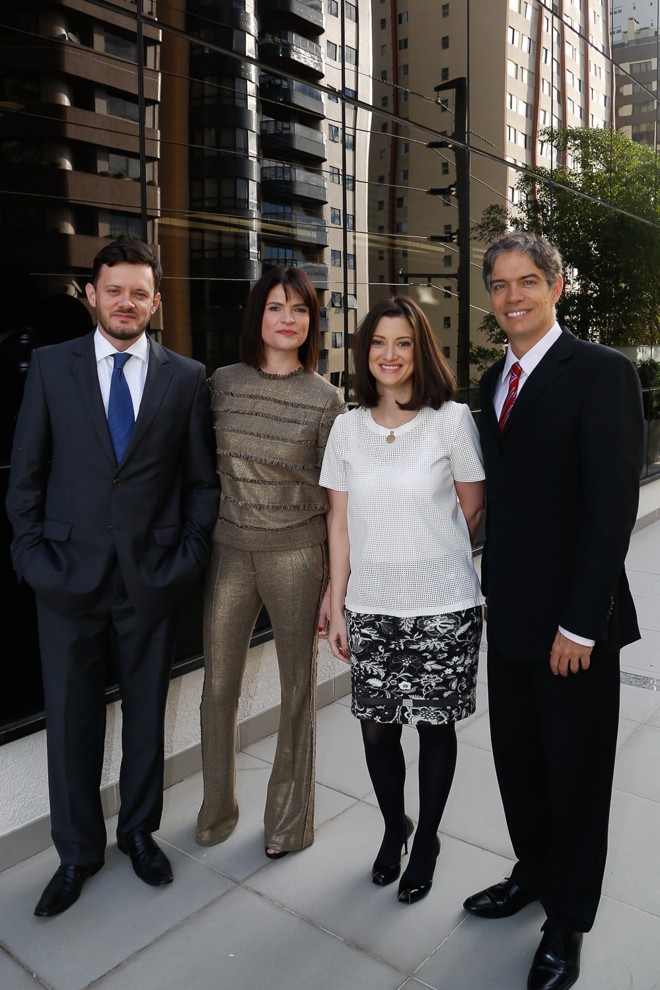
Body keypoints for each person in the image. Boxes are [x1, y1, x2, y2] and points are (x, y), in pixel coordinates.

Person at [5, 239, 219, 917]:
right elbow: (25, 478)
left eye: (140, 293)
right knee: (71, 722)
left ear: (156, 303)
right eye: (114, 290)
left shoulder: (186, 377)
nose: (127, 303)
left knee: (146, 716)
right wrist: (34, 560)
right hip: (66, 581)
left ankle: (137, 833)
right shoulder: (49, 367)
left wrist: (183, 561)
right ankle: (77, 854)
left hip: (150, 583)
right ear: (91, 294)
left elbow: (200, 485)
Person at [463, 232, 644, 990]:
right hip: (508, 616)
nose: (514, 297)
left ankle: (568, 921)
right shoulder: (488, 381)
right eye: (501, 285)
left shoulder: (602, 373)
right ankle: (533, 873)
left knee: (577, 777)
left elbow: (611, 511)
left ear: (557, 287)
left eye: (528, 281)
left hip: (573, 627)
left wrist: (581, 622)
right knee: (522, 767)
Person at [321, 296, 485, 904]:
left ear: (421, 351)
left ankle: (430, 838)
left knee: (435, 729)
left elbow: (470, 505)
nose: (390, 355)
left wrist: (428, 552)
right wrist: (337, 605)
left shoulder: (451, 420)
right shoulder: (346, 427)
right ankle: (396, 827)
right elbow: (338, 523)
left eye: (404, 343)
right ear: (365, 353)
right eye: (379, 343)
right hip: (371, 605)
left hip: (443, 607)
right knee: (376, 732)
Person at [196, 266, 346, 859]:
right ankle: (216, 810)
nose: (288, 319)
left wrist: (336, 584)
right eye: (277, 307)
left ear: (312, 322)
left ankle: (289, 822)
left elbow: (339, 502)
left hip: (296, 556)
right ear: (257, 314)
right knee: (218, 687)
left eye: (301, 310)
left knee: (296, 690)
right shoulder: (221, 384)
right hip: (230, 551)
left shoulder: (327, 397)